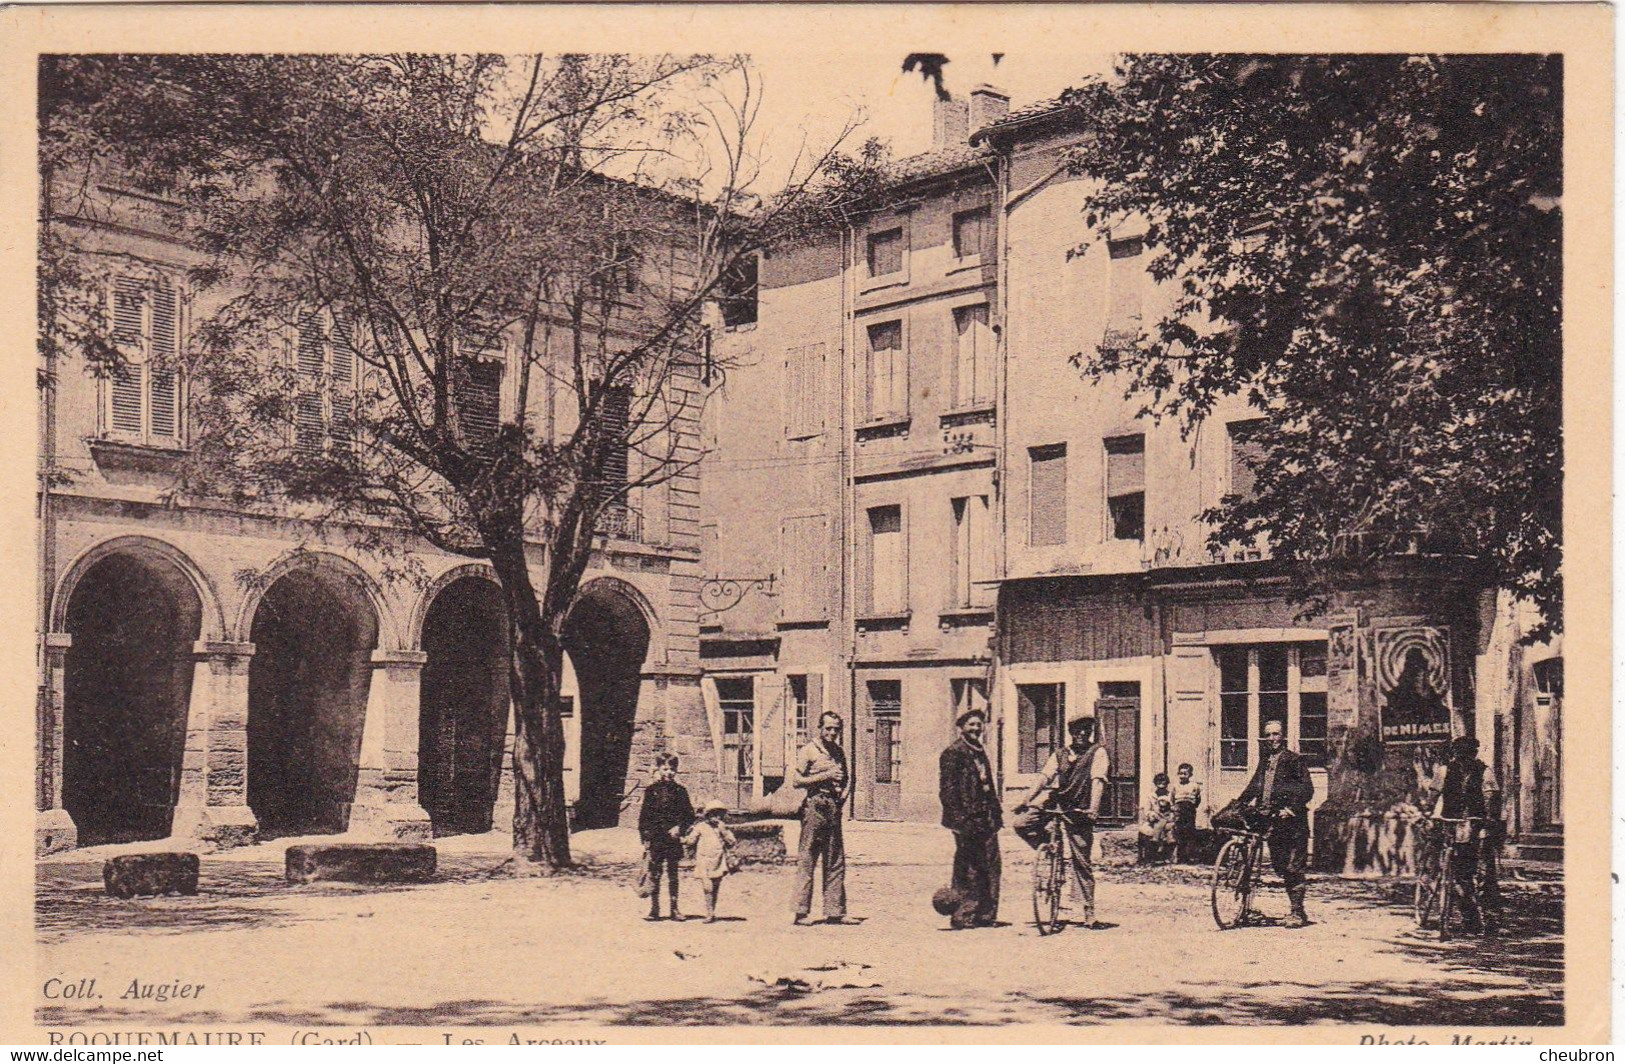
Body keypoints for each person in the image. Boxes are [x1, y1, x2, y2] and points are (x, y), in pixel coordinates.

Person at [1016, 715, 1110, 927]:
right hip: (1056, 803)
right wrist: (1027, 799)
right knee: (1022, 824)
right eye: (1078, 729)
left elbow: (1098, 782)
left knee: (1081, 861)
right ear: (1071, 732)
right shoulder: (1060, 754)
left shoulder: (1098, 752)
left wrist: (1093, 808)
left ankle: (1089, 912)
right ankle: (1049, 850)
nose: (1082, 733)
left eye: (1087, 729)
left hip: (1079, 809)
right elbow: (1044, 777)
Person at [1237, 719, 1315, 928]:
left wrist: (1291, 808)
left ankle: (1298, 913)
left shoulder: (1294, 760)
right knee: (1280, 866)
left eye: (1276, 734)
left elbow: (1306, 788)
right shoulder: (1265, 761)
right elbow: (1255, 786)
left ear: (1283, 736)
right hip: (1273, 822)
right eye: (1268, 734)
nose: (1272, 739)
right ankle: (1247, 907)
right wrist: (1239, 804)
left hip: (1294, 823)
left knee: (1293, 866)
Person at [938, 707, 1003, 928]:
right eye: (972, 724)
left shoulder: (980, 751)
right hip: (966, 819)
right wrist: (957, 821)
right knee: (968, 867)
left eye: (979, 724)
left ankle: (986, 914)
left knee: (991, 865)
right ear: (962, 727)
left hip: (986, 818)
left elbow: (988, 785)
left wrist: (997, 814)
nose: (976, 728)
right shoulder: (953, 752)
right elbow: (947, 791)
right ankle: (963, 915)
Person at [791, 710, 855, 925]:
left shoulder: (838, 752)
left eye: (836, 729)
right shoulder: (808, 750)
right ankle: (801, 913)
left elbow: (847, 779)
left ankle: (835, 911)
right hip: (814, 805)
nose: (832, 732)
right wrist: (824, 776)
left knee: (835, 859)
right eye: (828, 728)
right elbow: (796, 780)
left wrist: (842, 798)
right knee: (808, 857)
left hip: (833, 806)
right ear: (819, 727)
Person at [1432, 735, 1499, 935]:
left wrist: (1487, 817)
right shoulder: (1444, 771)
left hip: (1474, 824)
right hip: (1449, 821)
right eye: (1460, 754)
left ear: (1474, 754)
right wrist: (1430, 814)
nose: (1464, 758)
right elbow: (1434, 794)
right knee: (1449, 861)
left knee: (1473, 871)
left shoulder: (1485, 772)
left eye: (1468, 754)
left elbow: (1489, 796)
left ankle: (1477, 916)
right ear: (1455, 754)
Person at [638, 753, 695, 921]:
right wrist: (645, 836)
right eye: (665, 769)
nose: (669, 772)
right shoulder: (651, 791)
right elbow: (644, 816)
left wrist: (680, 827)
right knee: (654, 873)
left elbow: (689, 815)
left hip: (673, 839)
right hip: (656, 838)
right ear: (659, 769)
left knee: (673, 873)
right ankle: (654, 909)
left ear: (677, 770)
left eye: (672, 769)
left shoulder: (680, 791)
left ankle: (674, 908)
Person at [683, 800, 738, 924]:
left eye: (719, 815)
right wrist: (683, 839)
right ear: (708, 815)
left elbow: (731, 841)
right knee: (708, 887)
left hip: (718, 860)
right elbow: (691, 840)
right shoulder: (700, 827)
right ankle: (709, 913)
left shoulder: (721, 826)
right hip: (704, 861)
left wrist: (724, 831)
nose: (716, 817)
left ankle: (712, 911)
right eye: (713, 814)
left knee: (715, 887)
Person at [1138, 772, 1176, 865]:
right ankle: (1153, 856)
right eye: (1159, 782)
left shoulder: (1170, 795)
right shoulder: (1151, 796)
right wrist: (1151, 814)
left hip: (1167, 819)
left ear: (1167, 783)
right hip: (1154, 820)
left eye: (1164, 782)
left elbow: (1174, 808)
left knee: (1169, 828)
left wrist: (1171, 815)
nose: (1161, 784)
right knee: (1152, 828)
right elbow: (1147, 810)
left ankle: (1168, 856)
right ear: (1155, 783)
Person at [1171, 763, 1204, 863]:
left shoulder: (1194, 786)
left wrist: (1193, 806)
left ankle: (1189, 856)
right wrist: (1175, 808)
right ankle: (1179, 856)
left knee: (1189, 831)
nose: (1182, 776)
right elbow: (1172, 798)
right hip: (1179, 809)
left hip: (1189, 810)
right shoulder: (1176, 786)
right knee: (1179, 831)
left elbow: (1198, 798)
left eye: (1185, 774)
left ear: (1190, 775)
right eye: (1180, 773)